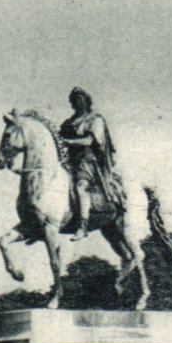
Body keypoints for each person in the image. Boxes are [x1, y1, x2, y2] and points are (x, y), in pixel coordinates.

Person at [57, 87, 126, 239]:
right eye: (73, 100)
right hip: (69, 162)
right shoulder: (69, 122)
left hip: (88, 161)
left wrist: (69, 141)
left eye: (79, 99)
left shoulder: (96, 119)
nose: (76, 103)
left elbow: (90, 141)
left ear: (86, 101)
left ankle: (82, 225)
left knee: (80, 187)